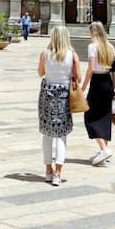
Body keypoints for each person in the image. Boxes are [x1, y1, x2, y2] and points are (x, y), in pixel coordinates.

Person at [38, 26, 79, 186]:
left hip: (47, 95)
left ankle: (48, 170)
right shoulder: (72, 55)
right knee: (61, 135)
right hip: (64, 96)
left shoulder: (44, 54)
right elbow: (78, 77)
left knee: (47, 134)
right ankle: (58, 173)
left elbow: (40, 73)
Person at [82, 22, 115, 165]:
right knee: (105, 117)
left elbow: (91, 68)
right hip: (107, 82)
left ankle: (104, 149)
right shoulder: (110, 47)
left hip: (97, 83)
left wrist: (83, 87)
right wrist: (114, 88)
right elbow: (114, 72)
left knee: (90, 116)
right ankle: (103, 152)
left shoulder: (92, 47)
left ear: (93, 32)